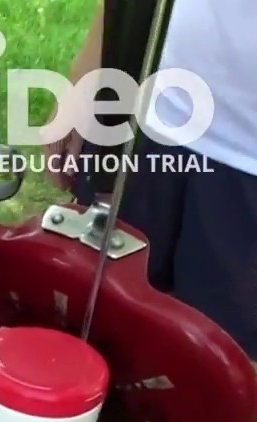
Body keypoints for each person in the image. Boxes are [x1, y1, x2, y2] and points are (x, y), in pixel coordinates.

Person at [45, 0, 257, 422]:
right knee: (110, 332)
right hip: (158, 120)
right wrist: (92, 78)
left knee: (219, 383)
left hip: (249, 168)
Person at [46, 0, 257, 361]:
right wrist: (92, 67)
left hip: (247, 164)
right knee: (84, 327)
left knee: (214, 369)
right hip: (144, 111)